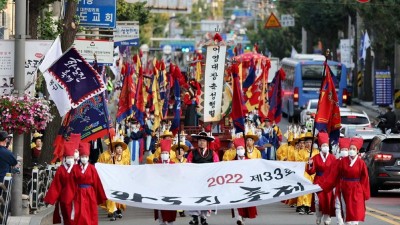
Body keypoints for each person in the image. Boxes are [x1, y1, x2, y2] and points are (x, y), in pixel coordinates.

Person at [320, 137, 370, 225]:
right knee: (345, 207)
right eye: (350, 148)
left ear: (357, 151)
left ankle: (354, 223)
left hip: (356, 188)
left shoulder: (361, 163)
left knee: (356, 208)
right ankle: (345, 222)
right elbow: (334, 175)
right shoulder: (342, 161)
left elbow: (365, 178)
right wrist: (325, 186)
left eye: (353, 149)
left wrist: (364, 192)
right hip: (344, 187)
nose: (351, 150)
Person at [44, 135, 80, 225]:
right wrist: (50, 199)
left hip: (76, 196)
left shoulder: (77, 168)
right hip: (64, 197)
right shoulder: (61, 169)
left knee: (77, 217)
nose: (70, 159)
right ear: (64, 158)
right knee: (66, 216)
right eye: (68, 158)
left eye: (71, 158)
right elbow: (56, 185)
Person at [187, 131, 219, 225]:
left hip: (207, 180)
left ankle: (204, 217)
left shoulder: (212, 153)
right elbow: (188, 164)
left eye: (204, 141)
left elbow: (217, 165)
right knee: (195, 197)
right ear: (197, 142)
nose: (201, 142)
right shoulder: (192, 152)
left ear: (207, 142)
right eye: (200, 140)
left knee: (205, 198)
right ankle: (195, 216)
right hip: (195, 179)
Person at [72, 142, 107, 225]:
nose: (84, 158)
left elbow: (97, 183)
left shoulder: (92, 168)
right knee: (79, 212)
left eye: (86, 157)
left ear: (88, 157)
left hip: (90, 193)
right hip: (78, 192)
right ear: (80, 157)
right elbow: (71, 182)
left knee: (90, 211)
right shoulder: (75, 168)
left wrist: (100, 195)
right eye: (82, 157)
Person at [307, 132, 337, 225]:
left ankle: (327, 219)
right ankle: (318, 216)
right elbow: (311, 172)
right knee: (317, 202)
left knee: (328, 201)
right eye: (323, 145)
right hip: (318, 180)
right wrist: (310, 164)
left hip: (328, 181)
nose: (325, 147)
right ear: (320, 146)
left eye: (326, 145)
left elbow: (335, 171)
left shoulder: (333, 158)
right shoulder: (315, 157)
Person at [98, 138, 130, 221]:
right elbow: (103, 167)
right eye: (117, 148)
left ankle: (118, 209)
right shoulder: (106, 156)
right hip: (109, 180)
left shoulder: (124, 158)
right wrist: (110, 159)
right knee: (110, 195)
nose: (119, 150)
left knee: (119, 195)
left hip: (120, 180)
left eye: (120, 148)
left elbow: (127, 168)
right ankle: (112, 211)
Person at [229, 138, 258, 225]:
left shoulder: (249, 161)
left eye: (241, 148)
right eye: (238, 149)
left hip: (247, 184)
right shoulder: (232, 162)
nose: (240, 150)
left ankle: (243, 217)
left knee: (246, 202)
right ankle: (239, 217)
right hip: (236, 184)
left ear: (244, 150)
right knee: (237, 201)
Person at [154, 139, 177, 225]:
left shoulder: (173, 165)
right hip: (160, 190)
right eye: (163, 153)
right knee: (161, 210)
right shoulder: (157, 165)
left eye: (166, 153)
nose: (164, 155)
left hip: (171, 190)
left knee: (170, 210)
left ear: (169, 155)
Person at [296, 132, 319, 215]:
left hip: (313, 173)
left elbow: (318, 162)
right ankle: (302, 205)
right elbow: (298, 162)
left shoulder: (316, 152)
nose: (309, 144)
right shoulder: (301, 152)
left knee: (310, 190)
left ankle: (308, 206)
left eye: (310, 142)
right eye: (307, 142)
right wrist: (306, 160)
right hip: (304, 172)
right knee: (303, 189)